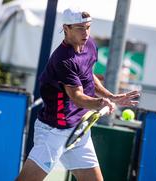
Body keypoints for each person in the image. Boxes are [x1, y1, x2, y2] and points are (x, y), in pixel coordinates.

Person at [16, 8, 140, 181]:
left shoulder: (89, 45)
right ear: (66, 29)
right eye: (80, 28)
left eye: (88, 27)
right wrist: (100, 103)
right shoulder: (63, 60)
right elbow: (78, 97)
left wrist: (110, 96)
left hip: (78, 129)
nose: (86, 32)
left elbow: (88, 76)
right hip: (54, 132)